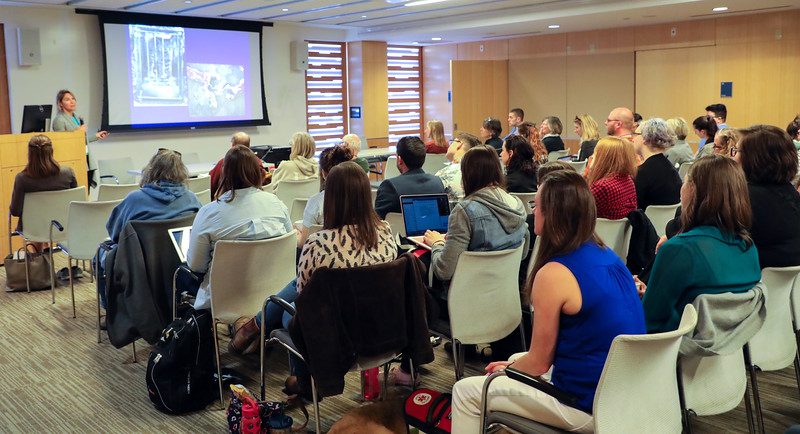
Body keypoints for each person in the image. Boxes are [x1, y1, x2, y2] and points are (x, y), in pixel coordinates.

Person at [451, 170, 645, 432]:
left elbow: (540, 363)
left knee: (465, 392)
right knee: (513, 358)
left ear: (552, 215)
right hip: (625, 394)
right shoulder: (608, 254)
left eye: (537, 205)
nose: (534, 212)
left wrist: (509, 370)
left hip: (584, 405)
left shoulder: (554, 274)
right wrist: (513, 366)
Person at [230, 162, 398, 372]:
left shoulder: (320, 243)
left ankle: (297, 376)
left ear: (331, 197)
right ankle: (254, 327)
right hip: (377, 325)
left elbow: (302, 296)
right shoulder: (386, 231)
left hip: (336, 332)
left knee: (288, 312)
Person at [641, 155, 760, 333]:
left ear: (693, 189)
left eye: (684, 181)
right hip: (730, 353)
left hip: (678, 352)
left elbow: (649, 322)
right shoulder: (748, 248)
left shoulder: (679, 250)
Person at [188, 145, 292, 314]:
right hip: (273, 297)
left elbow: (196, 265)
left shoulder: (209, 213)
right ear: (257, 171)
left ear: (225, 173)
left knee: (182, 277)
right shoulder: (276, 204)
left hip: (224, 300)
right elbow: (288, 247)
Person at [100, 150, 201, 310]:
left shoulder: (134, 199)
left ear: (151, 170)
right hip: (180, 264)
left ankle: (111, 312)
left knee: (101, 252)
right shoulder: (191, 199)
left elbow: (115, 233)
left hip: (139, 265)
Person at [424, 145, 527, 284]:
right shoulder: (517, 204)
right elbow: (524, 253)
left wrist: (437, 243)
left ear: (466, 174)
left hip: (468, 294)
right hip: (506, 293)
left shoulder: (465, 211)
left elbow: (444, 271)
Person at [735, 125, 800, 269]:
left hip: (749, 281)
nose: (734, 157)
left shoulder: (742, 197)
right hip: (786, 287)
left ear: (754, 158)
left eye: (737, 151)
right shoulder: (792, 194)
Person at [9, 134, 79, 251]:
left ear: (30, 153)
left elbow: (15, 211)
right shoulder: (68, 173)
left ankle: (40, 258)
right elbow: (76, 203)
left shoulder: (22, 178)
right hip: (63, 225)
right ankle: (46, 251)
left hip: (34, 228)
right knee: (45, 221)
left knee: (37, 222)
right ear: (51, 151)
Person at [295, 146, 353, 248]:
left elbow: (304, 244)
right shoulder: (361, 198)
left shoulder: (316, 202)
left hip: (326, 255)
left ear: (324, 173)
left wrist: (297, 236)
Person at [374, 136, 445, 219]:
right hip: (435, 231)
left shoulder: (390, 186)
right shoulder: (437, 182)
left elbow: (378, 220)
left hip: (399, 231)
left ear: (399, 159)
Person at [51, 89, 109, 187]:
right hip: (73, 159)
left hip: (85, 157)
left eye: (73, 99)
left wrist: (96, 136)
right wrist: (77, 132)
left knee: (87, 187)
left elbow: (81, 139)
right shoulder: (59, 120)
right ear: (60, 103)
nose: (72, 101)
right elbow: (61, 142)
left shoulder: (76, 118)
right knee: (79, 189)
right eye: (67, 100)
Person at [633, 118, 682, 210]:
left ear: (645, 138)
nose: (633, 139)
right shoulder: (671, 170)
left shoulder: (641, 173)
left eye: (636, 135)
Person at [587, 136, 638, 220]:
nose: (591, 157)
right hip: (619, 233)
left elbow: (579, 214)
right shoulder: (628, 181)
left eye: (595, 154)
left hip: (599, 232)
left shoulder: (601, 187)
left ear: (603, 159)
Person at [436, 132, 480, 202]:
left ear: (459, 145)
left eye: (452, 142)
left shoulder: (444, 174)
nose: (449, 146)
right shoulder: (481, 172)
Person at [208, 131, 254, 196]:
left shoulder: (224, 163)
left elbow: (210, 185)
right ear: (249, 146)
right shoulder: (257, 162)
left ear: (232, 145)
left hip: (228, 199)